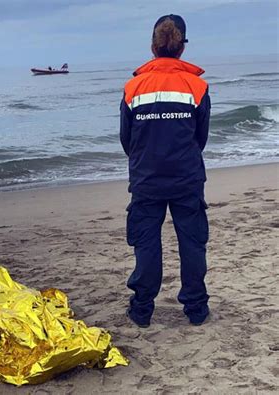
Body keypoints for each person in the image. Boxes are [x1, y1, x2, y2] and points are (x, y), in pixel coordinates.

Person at [120, 14, 211, 328]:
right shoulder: (196, 86)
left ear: (152, 47)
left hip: (147, 179)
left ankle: (142, 309)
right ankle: (196, 309)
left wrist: (146, 160)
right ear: (182, 48)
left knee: (146, 243)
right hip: (186, 177)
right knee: (192, 242)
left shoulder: (134, 87)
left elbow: (126, 138)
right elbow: (201, 136)